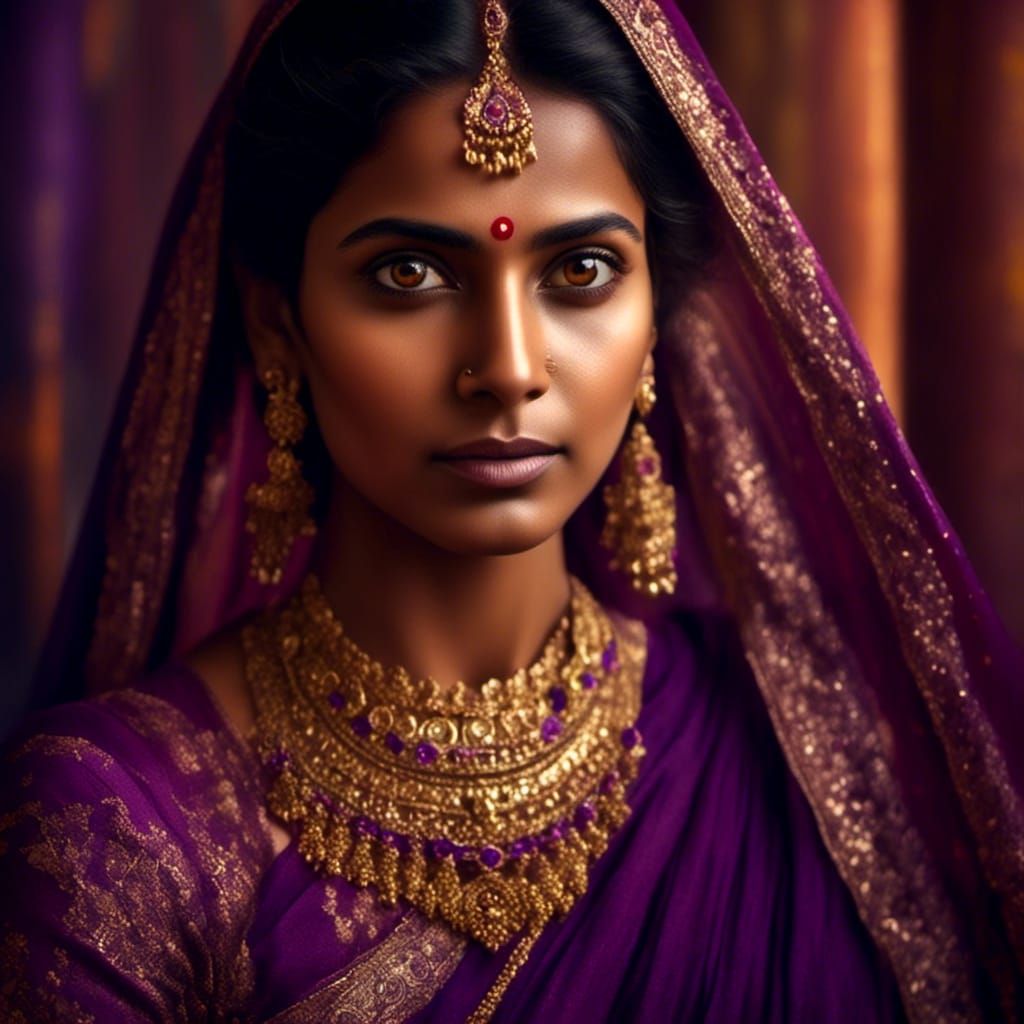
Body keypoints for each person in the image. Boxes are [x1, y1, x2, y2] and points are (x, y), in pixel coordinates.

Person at [2, 0, 1021, 1020]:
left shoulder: (811, 743)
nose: (509, 368)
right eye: (410, 273)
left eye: (580, 272)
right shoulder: (120, 833)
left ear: (654, 318)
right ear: (280, 322)